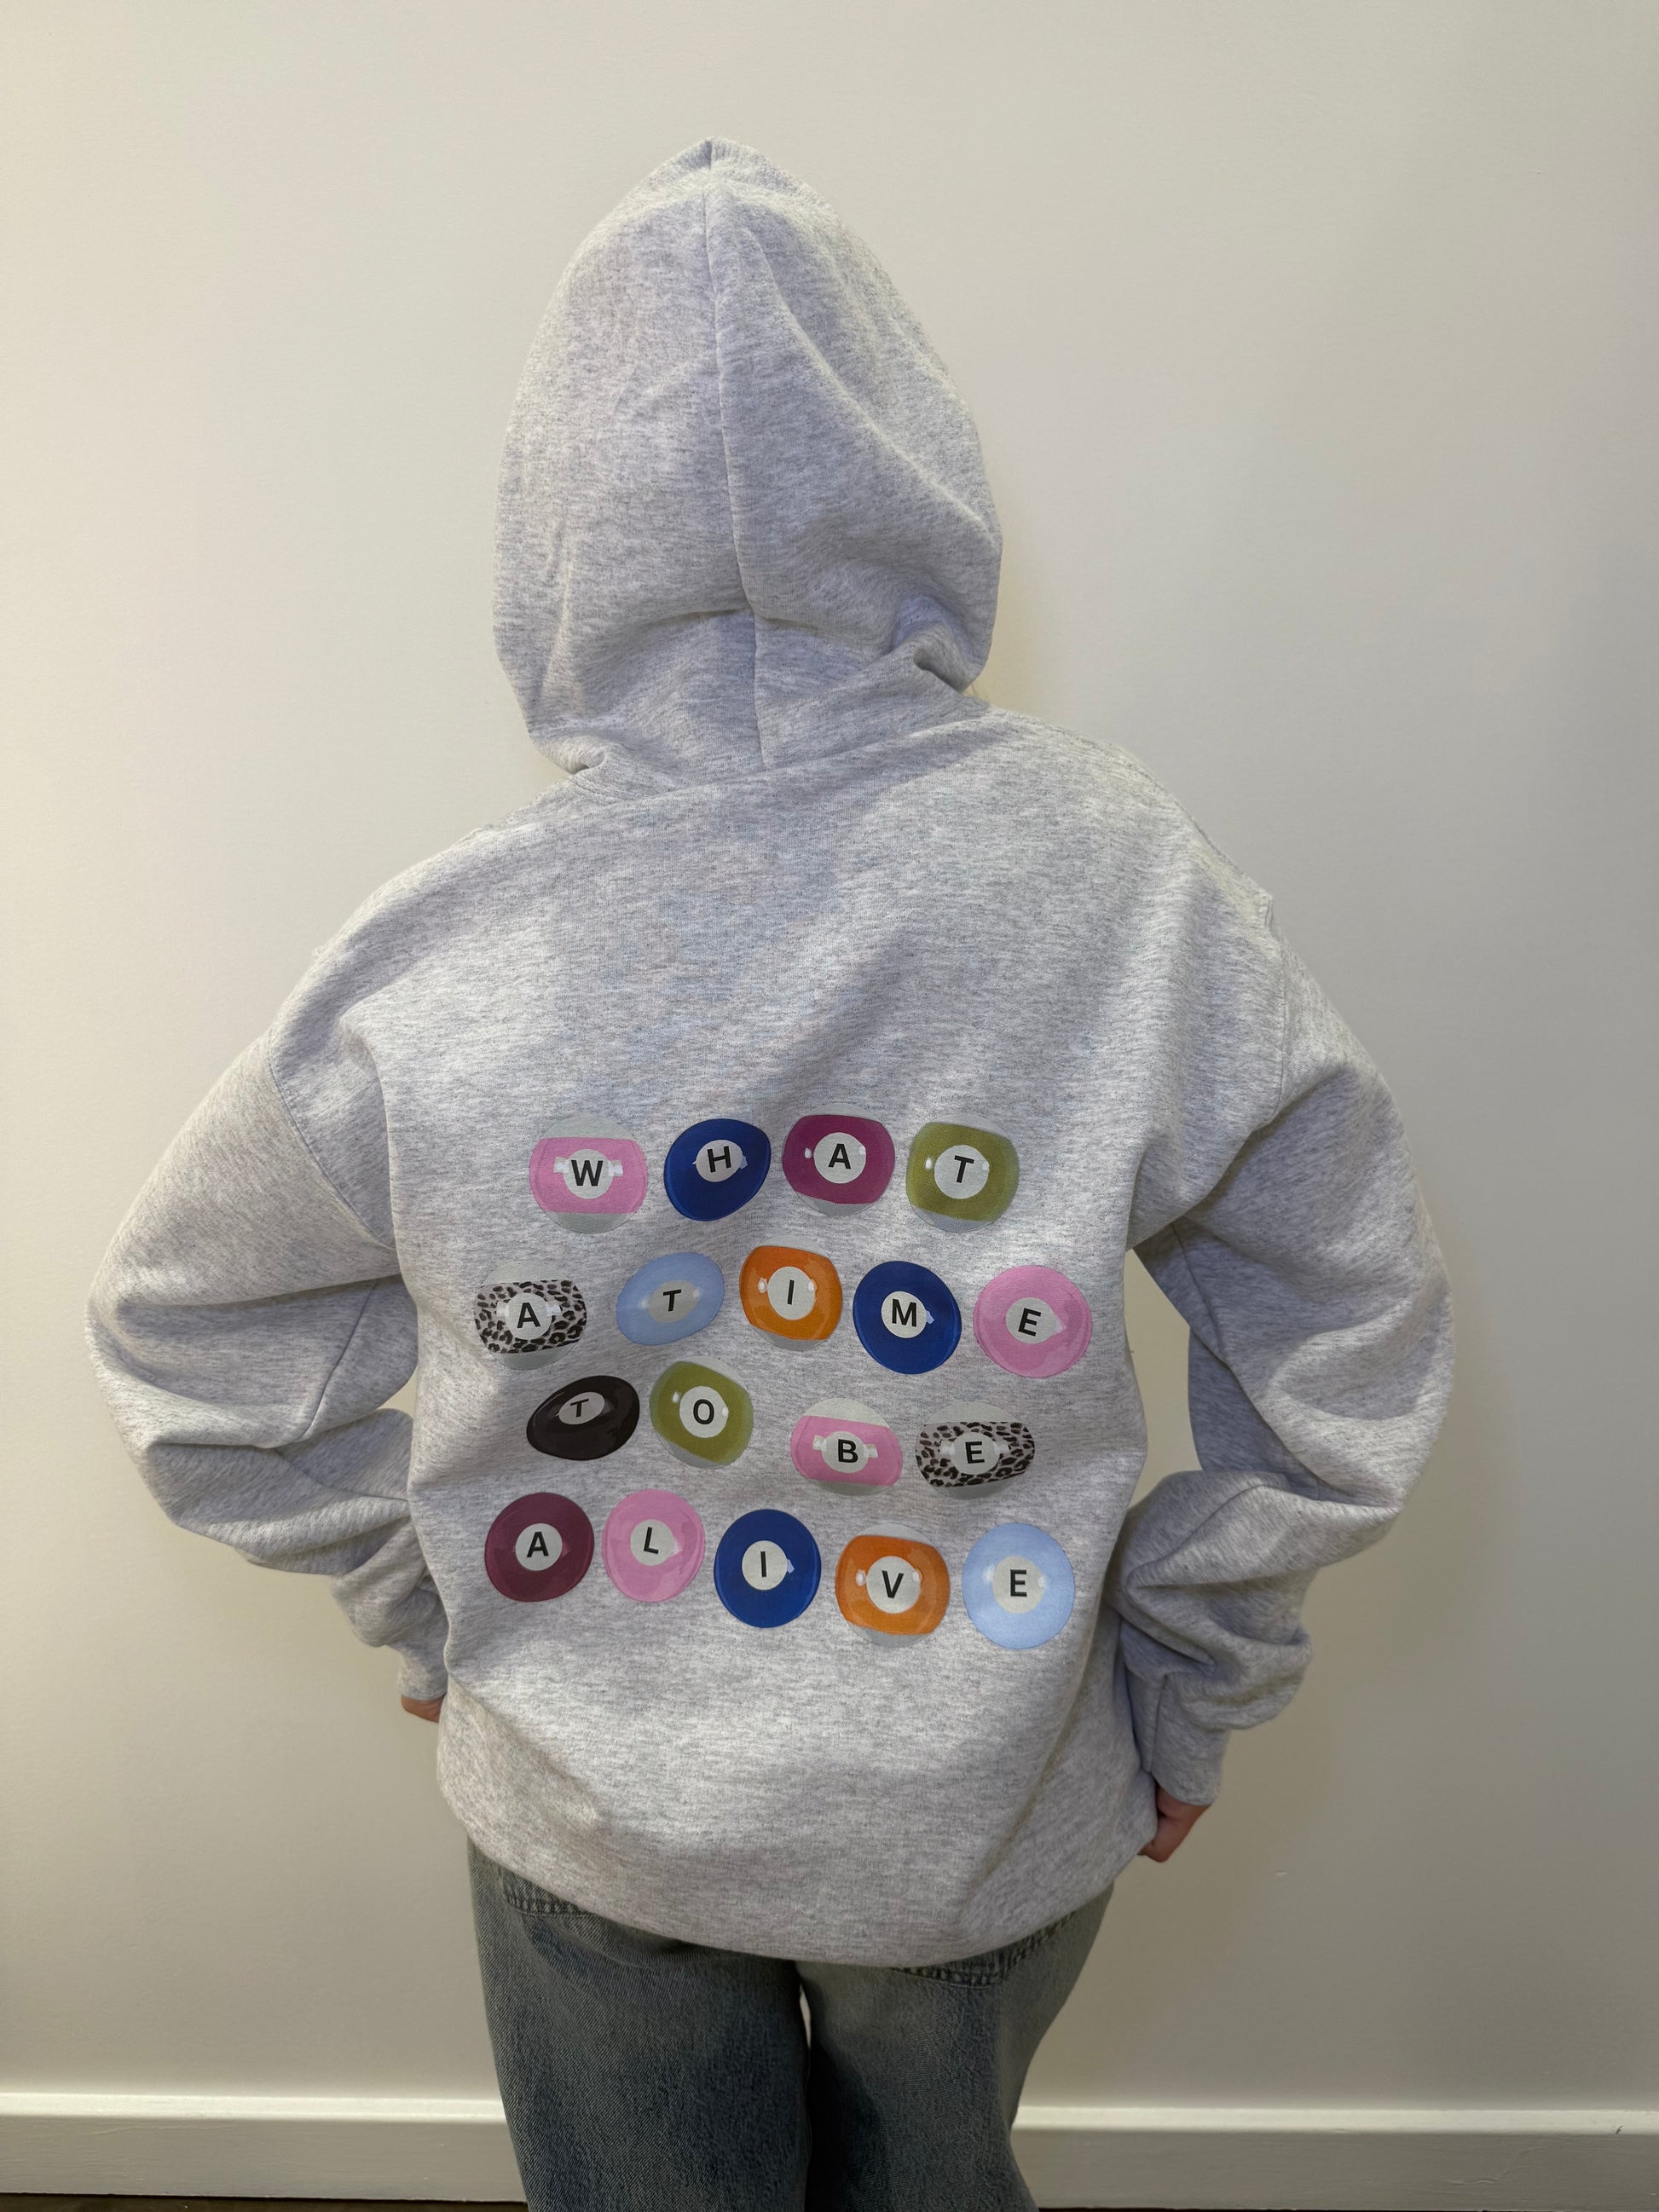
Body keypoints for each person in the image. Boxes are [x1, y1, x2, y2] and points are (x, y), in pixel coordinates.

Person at [88, 141, 1453, 2212]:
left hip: (590, 1807)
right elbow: (1349, 1308)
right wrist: (1189, 1664)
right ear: (917, 475)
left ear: (554, 532)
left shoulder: (438, 950)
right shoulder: (1115, 881)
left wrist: (439, 1607)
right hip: (984, 1798)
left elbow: (189, 1336)